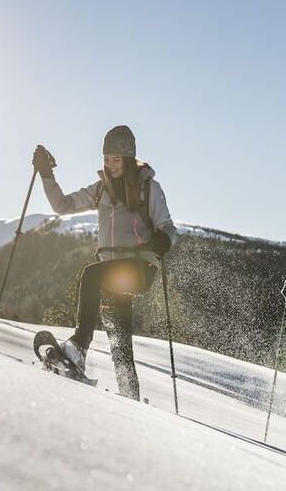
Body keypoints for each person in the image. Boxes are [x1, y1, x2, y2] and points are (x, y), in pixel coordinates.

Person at [32, 125, 177, 401]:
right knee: (120, 342)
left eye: (116, 159)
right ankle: (130, 397)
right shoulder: (101, 191)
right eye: (106, 159)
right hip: (113, 274)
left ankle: (77, 348)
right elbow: (63, 205)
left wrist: (164, 242)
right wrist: (47, 174)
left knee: (90, 274)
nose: (110, 165)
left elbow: (169, 227)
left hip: (138, 268)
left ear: (129, 158)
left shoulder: (148, 188)